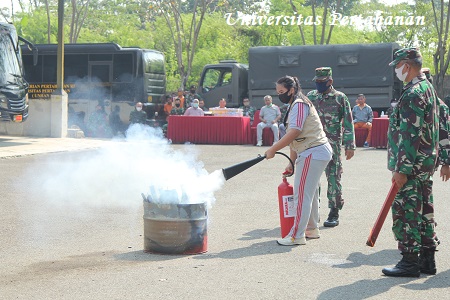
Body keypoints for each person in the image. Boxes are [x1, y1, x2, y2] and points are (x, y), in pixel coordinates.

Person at [381, 47, 446, 277]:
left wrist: (402, 169)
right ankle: (427, 260)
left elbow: (410, 134)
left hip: (412, 165)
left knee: (407, 212)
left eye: (398, 66)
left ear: (406, 66)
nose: (397, 71)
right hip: (425, 164)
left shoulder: (412, 93)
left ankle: (409, 262)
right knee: (424, 211)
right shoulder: (428, 88)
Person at [265, 75, 332, 246]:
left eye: (282, 92)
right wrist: (291, 162)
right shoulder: (296, 104)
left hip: (312, 151)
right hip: (312, 150)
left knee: (301, 194)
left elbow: (294, 132)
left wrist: (273, 149)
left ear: (292, 90)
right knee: (309, 192)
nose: (280, 95)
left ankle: (296, 235)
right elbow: (296, 140)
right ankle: (311, 229)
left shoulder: (299, 104)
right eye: (278, 92)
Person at [307, 67, 355, 227]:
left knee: (334, 177)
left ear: (330, 81)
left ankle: (334, 211)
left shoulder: (340, 98)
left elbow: (348, 122)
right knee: (312, 178)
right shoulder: (310, 97)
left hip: (332, 144)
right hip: (313, 144)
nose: (319, 85)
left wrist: (350, 145)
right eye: (317, 82)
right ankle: (313, 212)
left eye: (322, 82)